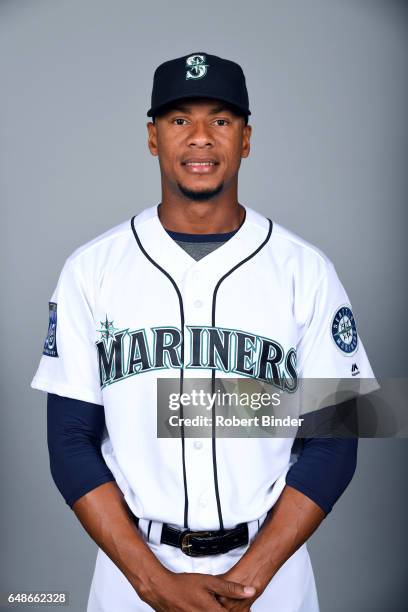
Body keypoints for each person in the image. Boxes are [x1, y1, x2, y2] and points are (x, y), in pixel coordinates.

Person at [31, 52, 377, 611]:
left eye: (220, 120)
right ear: (152, 138)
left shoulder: (306, 270)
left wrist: (248, 583)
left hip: (273, 575)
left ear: (245, 139)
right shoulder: (90, 270)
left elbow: (337, 439)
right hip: (133, 573)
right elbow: (69, 442)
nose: (199, 138)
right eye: (178, 120)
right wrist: (153, 584)